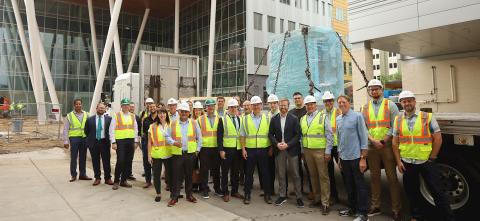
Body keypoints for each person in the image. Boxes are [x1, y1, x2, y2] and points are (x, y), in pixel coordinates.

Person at [392, 91, 455, 221]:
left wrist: (432, 158)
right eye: (404, 101)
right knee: (412, 192)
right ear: (401, 103)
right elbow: (394, 142)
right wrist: (398, 161)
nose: (407, 103)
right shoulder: (398, 119)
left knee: (437, 192)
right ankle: (416, 216)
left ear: (414, 102)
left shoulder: (427, 117)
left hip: (425, 161)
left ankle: (447, 218)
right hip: (407, 162)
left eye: (409, 100)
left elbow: (438, 138)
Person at [362, 79, 401, 219]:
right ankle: (376, 206)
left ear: (381, 89)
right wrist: (372, 140)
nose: (373, 91)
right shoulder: (365, 108)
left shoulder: (391, 105)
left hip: (387, 146)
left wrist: (384, 141)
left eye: (376, 89)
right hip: (372, 147)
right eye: (371, 89)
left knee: (392, 178)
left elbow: (395, 126)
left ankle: (396, 209)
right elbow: (364, 128)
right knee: (374, 177)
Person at [336, 95, 370, 221]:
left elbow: (364, 137)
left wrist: (363, 158)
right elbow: (339, 140)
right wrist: (339, 157)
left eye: (343, 102)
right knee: (349, 185)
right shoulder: (338, 119)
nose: (341, 104)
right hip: (344, 158)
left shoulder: (357, 116)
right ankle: (352, 208)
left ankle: (363, 213)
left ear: (349, 103)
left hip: (356, 157)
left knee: (359, 185)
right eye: (339, 103)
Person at [300, 95, 333, 215]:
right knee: (313, 176)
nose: (310, 106)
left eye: (312, 104)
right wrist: (302, 151)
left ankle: (325, 203)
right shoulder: (302, 119)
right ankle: (317, 198)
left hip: (320, 150)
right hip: (308, 151)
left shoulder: (323, 117)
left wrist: (328, 151)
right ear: (306, 106)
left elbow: (329, 135)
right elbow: (302, 137)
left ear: (315, 105)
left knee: (323, 177)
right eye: (308, 104)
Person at [268, 98, 303, 208]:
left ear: (288, 106)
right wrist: (276, 144)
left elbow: (298, 135)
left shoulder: (294, 119)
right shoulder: (274, 119)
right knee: (281, 174)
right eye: (281, 105)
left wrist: (288, 144)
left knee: (296, 174)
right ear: (279, 106)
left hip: (291, 150)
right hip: (279, 150)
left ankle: (299, 197)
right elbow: (270, 134)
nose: (283, 107)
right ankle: (282, 195)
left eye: (285, 106)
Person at [166, 102, 202, 207]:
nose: (184, 113)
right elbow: (166, 136)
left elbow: (200, 138)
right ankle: (174, 197)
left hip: (190, 154)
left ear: (189, 112)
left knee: (189, 176)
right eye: (182, 111)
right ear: (179, 112)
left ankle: (189, 195)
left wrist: (197, 151)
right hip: (177, 154)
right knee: (176, 176)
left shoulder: (194, 123)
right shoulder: (172, 123)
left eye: (186, 111)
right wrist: (173, 142)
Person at [240, 96, 273, 205]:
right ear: (251, 106)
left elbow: (271, 135)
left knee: (265, 173)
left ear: (261, 105)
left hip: (263, 150)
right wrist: (243, 149)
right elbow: (242, 135)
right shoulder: (245, 119)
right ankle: (247, 195)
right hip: (250, 150)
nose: (256, 106)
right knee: (248, 174)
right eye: (254, 105)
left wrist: (271, 147)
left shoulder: (267, 118)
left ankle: (267, 195)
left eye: (258, 104)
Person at [217, 99, 244, 202]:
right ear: (228, 108)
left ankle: (235, 191)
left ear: (237, 108)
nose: (233, 109)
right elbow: (219, 137)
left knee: (235, 172)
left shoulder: (240, 119)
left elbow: (241, 135)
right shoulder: (222, 120)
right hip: (227, 150)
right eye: (231, 107)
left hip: (237, 150)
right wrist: (221, 150)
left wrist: (242, 149)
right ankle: (225, 192)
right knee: (224, 172)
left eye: (235, 107)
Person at [110, 98, 140, 190]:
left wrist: (135, 141)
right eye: (124, 105)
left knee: (128, 161)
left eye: (128, 105)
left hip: (130, 141)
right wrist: (113, 142)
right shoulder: (116, 115)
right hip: (120, 141)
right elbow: (111, 130)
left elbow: (135, 129)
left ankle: (123, 181)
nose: (126, 106)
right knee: (120, 161)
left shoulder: (132, 116)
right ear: (121, 106)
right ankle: (116, 181)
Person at [288, 92, 312, 200]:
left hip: (306, 143)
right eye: (295, 98)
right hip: (295, 144)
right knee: (296, 168)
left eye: (299, 98)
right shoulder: (291, 112)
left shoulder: (306, 111)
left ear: (302, 99)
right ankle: (299, 188)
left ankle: (312, 190)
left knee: (309, 168)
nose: (297, 100)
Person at [84, 103, 113, 186]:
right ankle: (97, 178)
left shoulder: (109, 119)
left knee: (106, 161)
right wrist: (90, 142)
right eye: (100, 108)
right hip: (94, 142)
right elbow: (86, 131)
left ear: (105, 110)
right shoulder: (90, 119)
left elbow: (111, 131)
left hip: (105, 142)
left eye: (103, 108)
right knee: (95, 161)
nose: (101, 109)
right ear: (96, 108)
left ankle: (108, 178)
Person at [321, 91, 343, 203]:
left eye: (330, 100)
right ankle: (334, 196)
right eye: (326, 101)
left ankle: (350, 197)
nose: (328, 103)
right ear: (324, 102)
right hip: (328, 147)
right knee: (329, 173)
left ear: (333, 101)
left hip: (339, 146)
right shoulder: (322, 114)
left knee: (344, 172)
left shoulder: (338, 112)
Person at [198, 98, 222, 199]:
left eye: (212, 105)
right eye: (209, 106)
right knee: (204, 170)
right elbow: (197, 135)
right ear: (206, 108)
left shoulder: (220, 118)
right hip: (204, 148)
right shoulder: (200, 119)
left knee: (216, 170)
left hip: (216, 148)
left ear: (214, 107)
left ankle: (217, 189)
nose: (211, 108)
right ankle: (205, 189)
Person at [148, 108, 173, 202]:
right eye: (160, 113)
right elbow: (149, 142)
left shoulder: (171, 125)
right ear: (157, 115)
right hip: (157, 154)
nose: (162, 115)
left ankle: (172, 193)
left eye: (163, 113)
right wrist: (149, 156)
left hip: (169, 154)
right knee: (156, 175)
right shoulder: (152, 126)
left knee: (170, 175)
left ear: (166, 114)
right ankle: (158, 193)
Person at [64, 99, 92, 182]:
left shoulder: (87, 114)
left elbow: (90, 127)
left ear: (82, 105)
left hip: (84, 138)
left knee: (83, 157)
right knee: (73, 157)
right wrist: (66, 141)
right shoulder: (69, 116)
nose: (78, 105)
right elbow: (65, 129)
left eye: (80, 104)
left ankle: (82, 175)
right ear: (74, 105)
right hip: (74, 138)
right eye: (76, 104)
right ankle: (73, 175)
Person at [265, 94, 280, 195]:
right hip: (270, 145)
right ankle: (271, 189)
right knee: (270, 169)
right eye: (271, 103)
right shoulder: (267, 115)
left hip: (279, 146)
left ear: (277, 104)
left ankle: (284, 191)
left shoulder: (281, 114)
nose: (273, 105)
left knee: (281, 170)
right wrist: (270, 146)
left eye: (274, 103)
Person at [141, 102, 158, 188]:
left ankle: (156, 181)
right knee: (146, 162)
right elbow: (144, 133)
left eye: (153, 106)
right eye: (150, 107)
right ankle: (148, 181)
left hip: (157, 144)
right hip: (147, 143)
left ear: (156, 108)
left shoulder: (160, 118)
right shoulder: (146, 120)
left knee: (156, 163)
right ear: (148, 109)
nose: (152, 108)